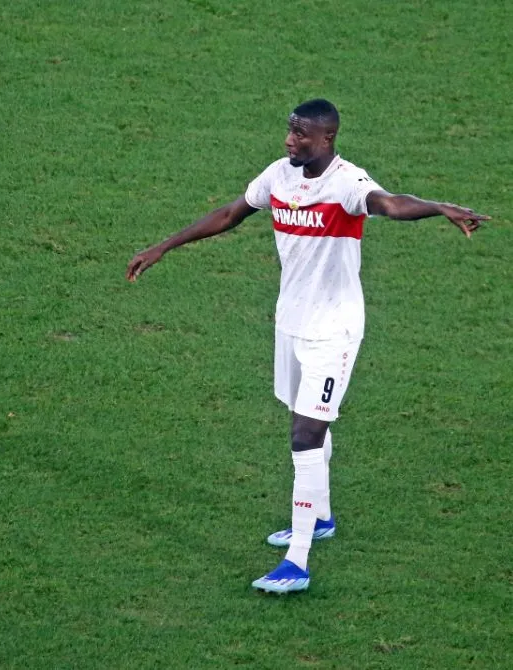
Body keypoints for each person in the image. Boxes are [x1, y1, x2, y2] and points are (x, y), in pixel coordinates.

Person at [126, 99, 489, 594]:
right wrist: (162, 246)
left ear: (326, 139)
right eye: (289, 131)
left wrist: (438, 208)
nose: (288, 140)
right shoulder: (279, 175)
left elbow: (392, 204)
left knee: (304, 436)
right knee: (305, 421)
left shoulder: (347, 183)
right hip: (291, 324)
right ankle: (319, 517)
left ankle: (297, 562)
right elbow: (232, 212)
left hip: (333, 332)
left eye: (299, 134)